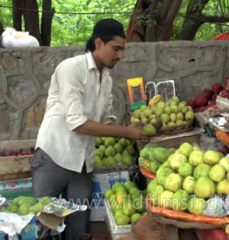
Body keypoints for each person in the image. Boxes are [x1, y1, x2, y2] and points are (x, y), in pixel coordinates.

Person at [31, 18, 151, 240]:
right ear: (98, 43)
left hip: (83, 163)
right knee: (42, 223)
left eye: (123, 50)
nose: (120, 56)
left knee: (78, 227)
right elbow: (77, 122)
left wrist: (133, 128)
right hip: (54, 156)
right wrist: (126, 132)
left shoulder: (106, 80)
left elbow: (107, 120)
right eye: (116, 49)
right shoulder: (71, 69)